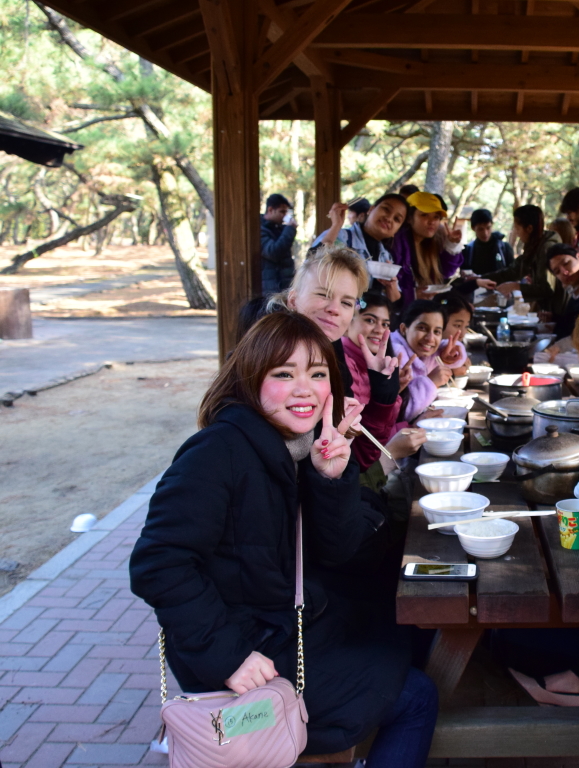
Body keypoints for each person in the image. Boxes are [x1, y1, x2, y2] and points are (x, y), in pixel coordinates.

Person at [129, 312, 438, 763]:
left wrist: (332, 478)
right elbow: (158, 563)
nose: (304, 389)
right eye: (283, 374)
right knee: (415, 696)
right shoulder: (218, 452)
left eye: (317, 374)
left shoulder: (301, 445)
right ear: (251, 381)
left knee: (409, 632)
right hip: (238, 654)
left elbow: (340, 550)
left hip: (283, 623)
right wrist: (229, 658)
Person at [284, 246, 423, 478]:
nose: (334, 309)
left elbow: (354, 462)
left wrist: (383, 400)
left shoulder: (334, 366)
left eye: (347, 303)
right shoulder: (272, 359)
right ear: (293, 300)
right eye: (323, 294)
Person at [342, 292, 427, 473]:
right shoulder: (344, 366)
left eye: (385, 324)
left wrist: (393, 392)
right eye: (370, 320)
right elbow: (362, 446)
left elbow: (381, 431)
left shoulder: (373, 364)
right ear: (347, 322)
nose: (380, 330)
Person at [310, 193, 410, 304]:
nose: (389, 218)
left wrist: (391, 286)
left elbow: (394, 301)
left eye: (397, 219)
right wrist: (336, 225)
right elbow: (312, 262)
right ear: (371, 210)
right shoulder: (342, 237)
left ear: (396, 231)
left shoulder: (386, 256)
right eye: (386, 209)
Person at [477, 205, 561, 306]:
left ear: (529, 228)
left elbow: (546, 288)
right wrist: (480, 278)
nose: (516, 233)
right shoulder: (534, 246)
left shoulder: (546, 248)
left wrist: (516, 286)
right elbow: (513, 271)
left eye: (517, 228)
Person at [390, 191, 463, 303]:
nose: (432, 222)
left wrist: (452, 244)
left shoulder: (431, 243)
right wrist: (412, 294)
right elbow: (389, 288)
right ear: (409, 218)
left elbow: (446, 272)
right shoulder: (396, 243)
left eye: (436, 217)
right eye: (424, 215)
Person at [391, 299, 453, 422]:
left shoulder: (418, 349)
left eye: (437, 332)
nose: (430, 338)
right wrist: (430, 382)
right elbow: (402, 412)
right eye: (422, 328)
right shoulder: (396, 355)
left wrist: (454, 353)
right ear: (404, 329)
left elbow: (448, 347)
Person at [261, 193, 297, 294]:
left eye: (286, 212)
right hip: (271, 288)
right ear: (270, 210)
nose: (285, 216)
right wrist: (290, 229)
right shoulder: (261, 229)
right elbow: (273, 252)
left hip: (283, 286)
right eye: (282, 212)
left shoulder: (280, 229)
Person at [460, 208, 514, 275]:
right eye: (480, 229)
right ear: (473, 228)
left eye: (488, 228)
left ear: (492, 225)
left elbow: (512, 274)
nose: (485, 233)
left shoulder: (504, 248)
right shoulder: (467, 251)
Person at [437, 292, 473, 377]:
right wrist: (452, 373)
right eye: (458, 325)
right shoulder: (424, 351)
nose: (462, 333)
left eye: (466, 326)